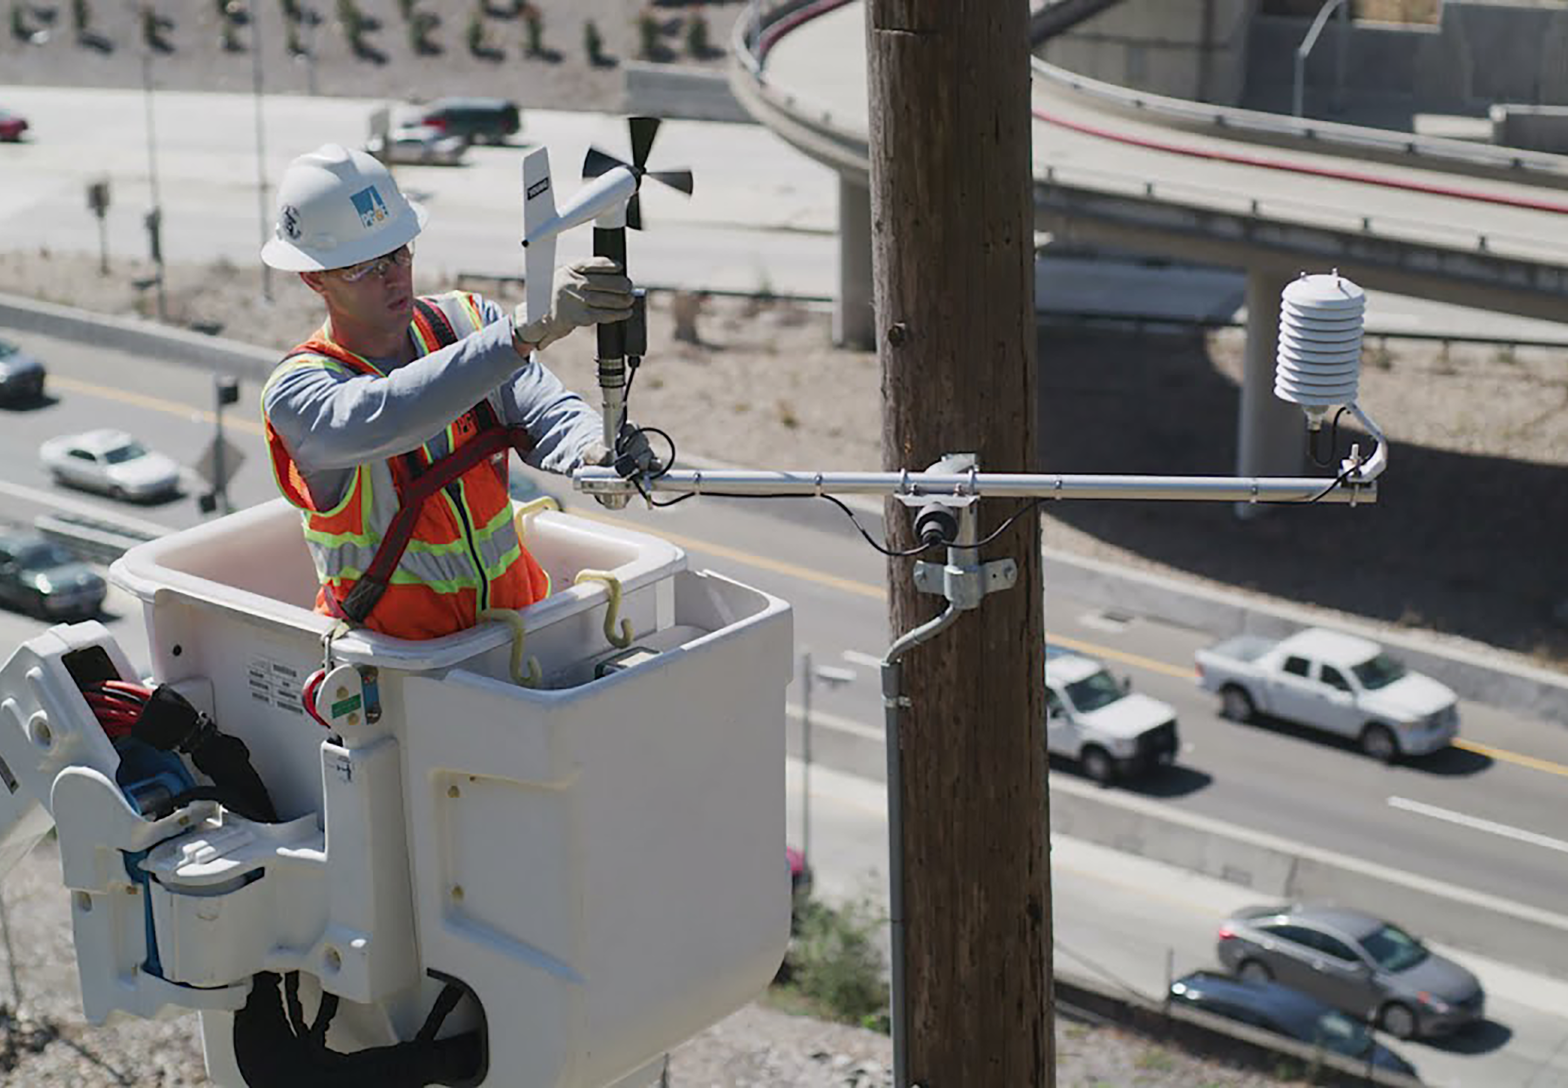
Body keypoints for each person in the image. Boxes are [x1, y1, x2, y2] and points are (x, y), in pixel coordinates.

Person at [260, 143, 651, 640]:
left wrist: (597, 448)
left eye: (398, 252)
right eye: (365, 267)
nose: (394, 277)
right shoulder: (299, 393)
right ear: (314, 278)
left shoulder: (465, 323)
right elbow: (389, 415)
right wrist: (517, 335)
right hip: (404, 667)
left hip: (518, 634)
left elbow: (544, 410)